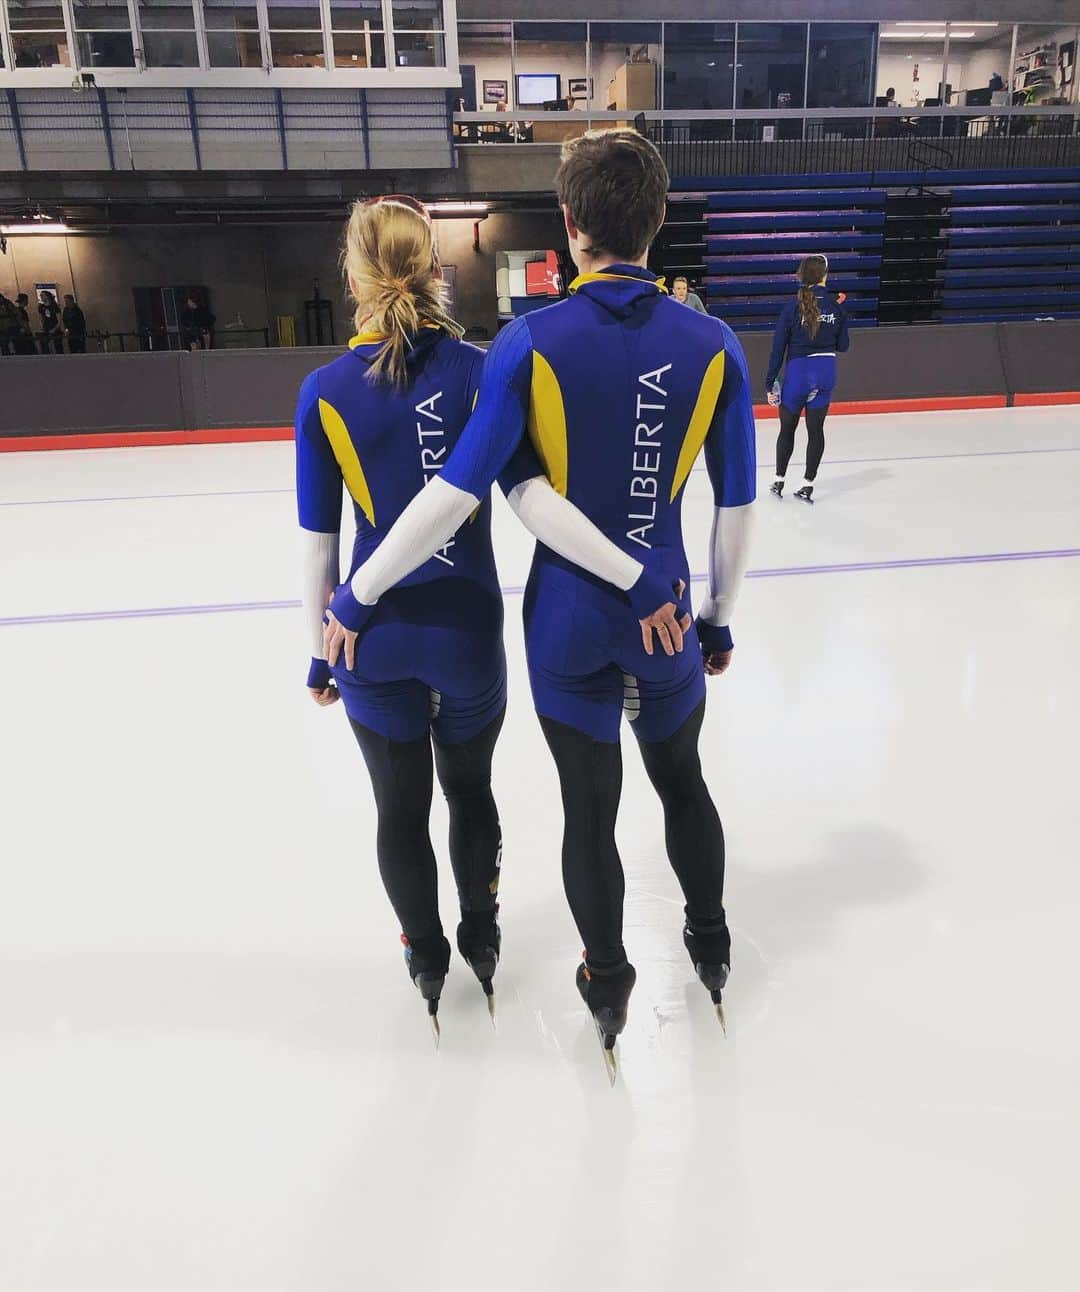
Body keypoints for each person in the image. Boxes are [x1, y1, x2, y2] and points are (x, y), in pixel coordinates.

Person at [321, 130, 757, 1072]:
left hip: (568, 624)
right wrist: (714, 616)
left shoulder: (525, 343)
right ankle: (712, 940)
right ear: (659, 216)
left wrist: (353, 599)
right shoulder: (716, 344)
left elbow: (483, 492)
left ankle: (606, 978)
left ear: (567, 225)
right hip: (670, 617)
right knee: (684, 781)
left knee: (588, 813)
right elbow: (738, 505)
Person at [296, 193, 678, 1034]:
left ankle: (425, 952)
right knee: (469, 791)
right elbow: (523, 493)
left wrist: (321, 653)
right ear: (436, 269)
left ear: (354, 276)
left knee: (397, 809)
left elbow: (319, 548)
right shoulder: (482, 369)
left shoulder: (322, 392)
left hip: (374, 640)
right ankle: (482, 929)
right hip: (469, 638)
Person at [765, 254, 849, 504]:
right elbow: (843, 346)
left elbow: (778, 349)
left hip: (799, 373)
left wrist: (770, 382)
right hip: (825, 371)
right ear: (824, 276)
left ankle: (779, 479)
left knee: (787, 430)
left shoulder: (792, 307)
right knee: (816, 431)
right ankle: (808, 484)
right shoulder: (836, 307)